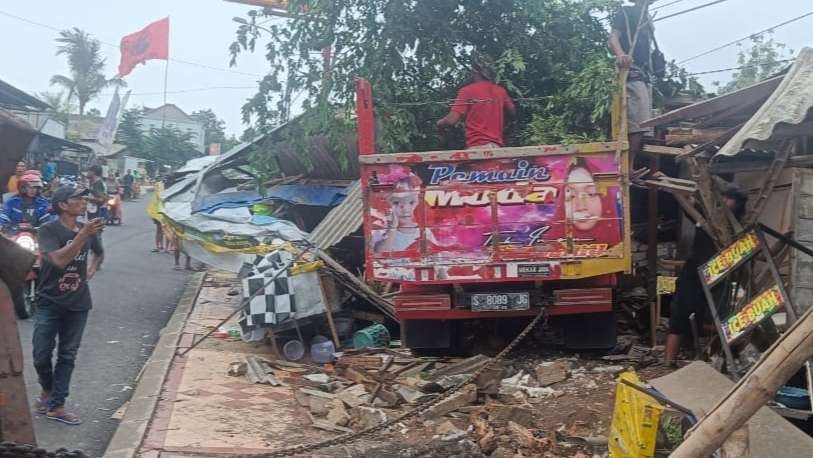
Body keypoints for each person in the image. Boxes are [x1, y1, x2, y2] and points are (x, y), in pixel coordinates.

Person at [32, 186, 104, 425]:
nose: (83, 203)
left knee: (67, 355)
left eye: (85, 199)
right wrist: (82, 234)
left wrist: (91, 270)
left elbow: (99, 253)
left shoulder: (89, 230)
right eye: (77, 199)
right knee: (41, 355)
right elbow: (60, 260)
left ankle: (57, 405)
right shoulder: (48, 230)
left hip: (78, 303)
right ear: (63, 205)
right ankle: (48, 389)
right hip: (49, 300)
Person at [663, 183, 747, 366]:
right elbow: (689, 202)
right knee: (680, 315)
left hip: (720, 275)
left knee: (719, 319)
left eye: (729, 198)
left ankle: (720, 359)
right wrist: (672, 188)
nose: (724, 201)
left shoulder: (739, 228)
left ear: (739, 204)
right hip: (694, 273)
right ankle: (668, 363)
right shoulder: (704, 217)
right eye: (723, 197)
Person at [609, 0, 654, 177]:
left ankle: (630, 166)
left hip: (644, 74)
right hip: (631, 72)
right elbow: (613, 37)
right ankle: (627, 168)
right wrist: (621, 55)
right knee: (638, 123)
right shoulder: (626, 13)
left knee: (644, 125)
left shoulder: (647, 18)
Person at [436, 55, 516, 149]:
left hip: (477, 147)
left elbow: (451, 120)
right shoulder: (501, 91)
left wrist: (440, 123)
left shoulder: (467, 91)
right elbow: (512, 111)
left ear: (474, 71)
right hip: (496, 147)